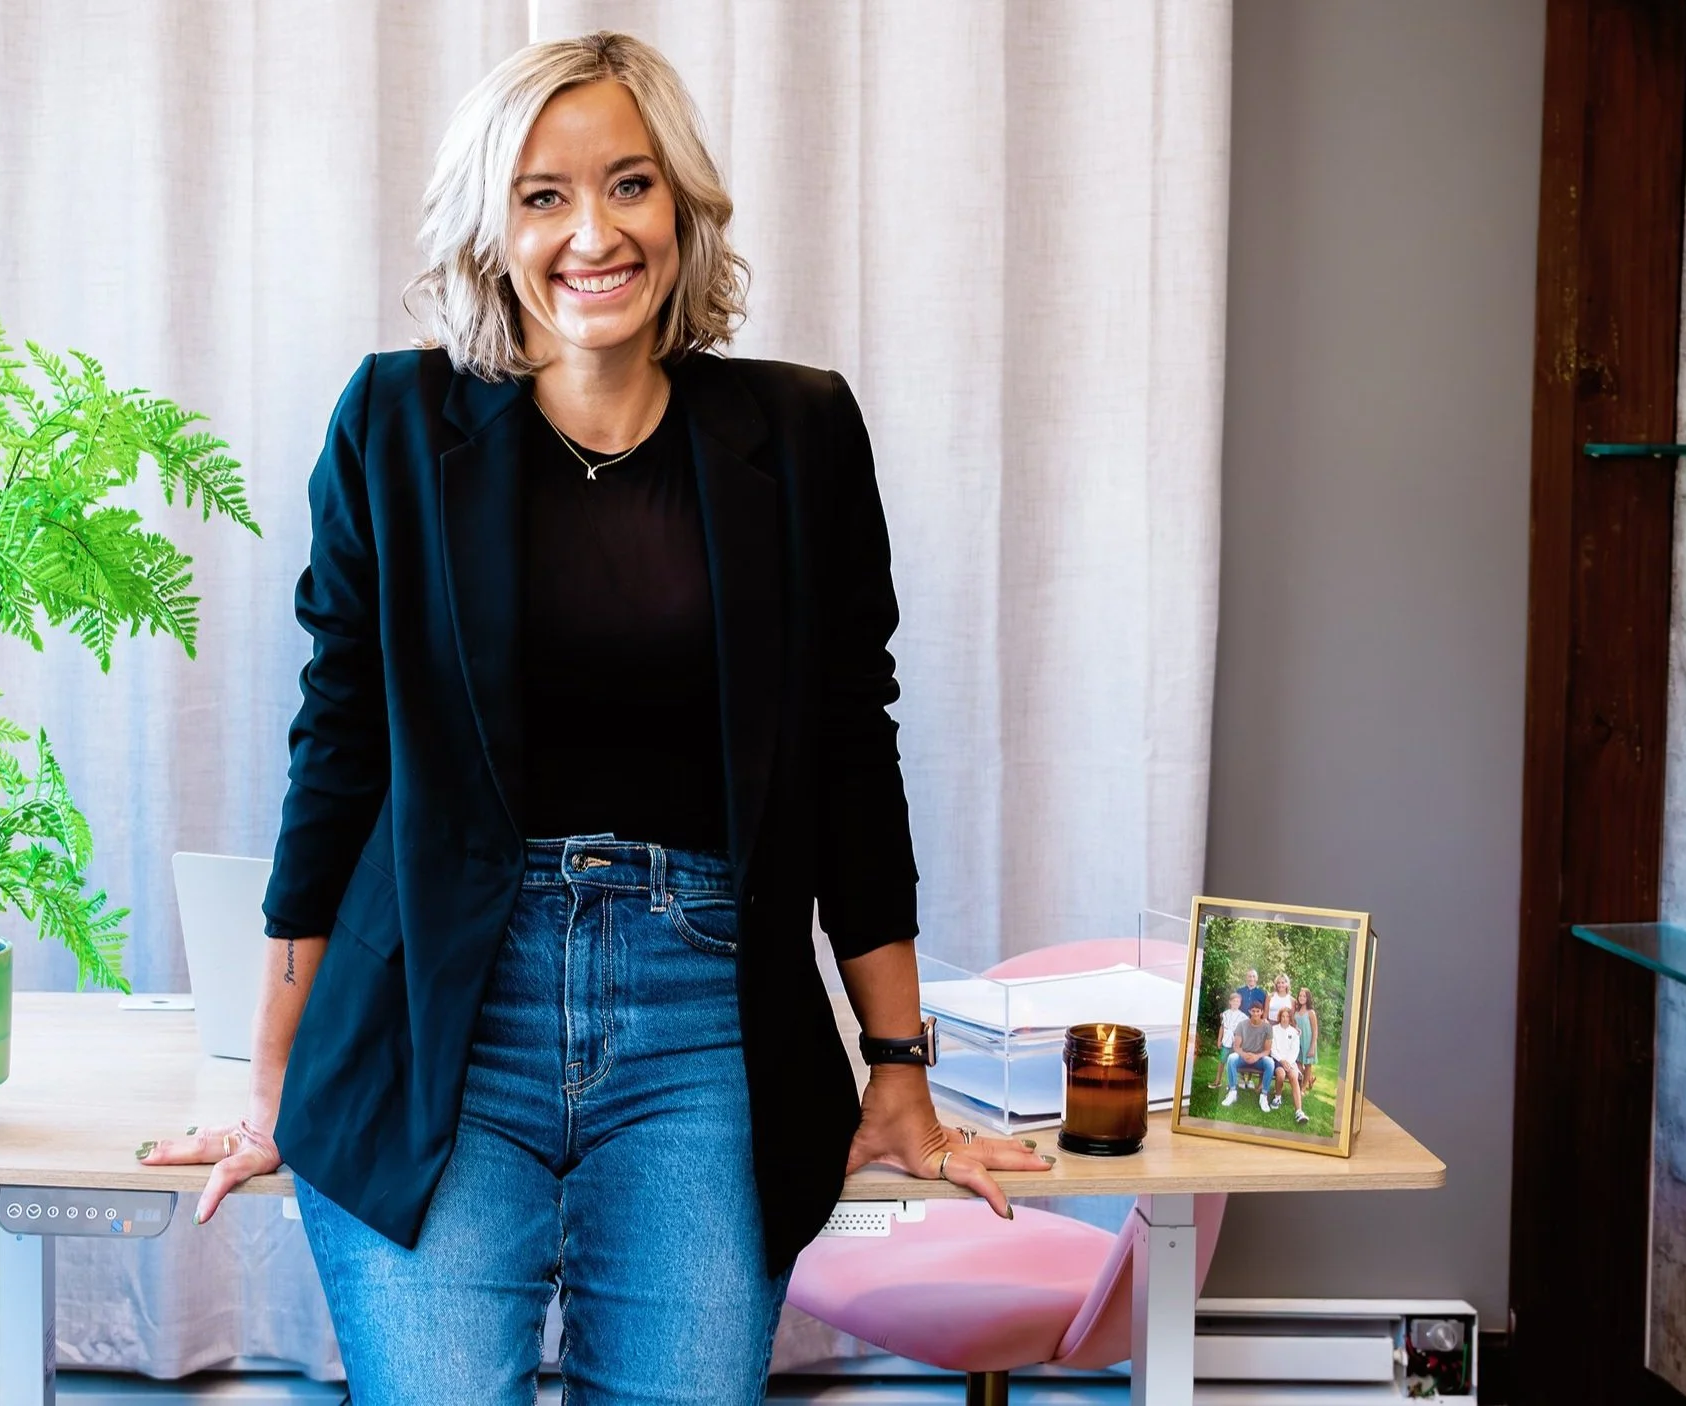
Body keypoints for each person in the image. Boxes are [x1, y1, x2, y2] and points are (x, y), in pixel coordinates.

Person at [137, 32, 1048, 1403]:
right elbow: (339, 752)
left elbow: (856, 752)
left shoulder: (796, 435)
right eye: (544, 195)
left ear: (680, 204)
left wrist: (899, 1063)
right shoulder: (394, 423)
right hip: (444, 1010)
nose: (592, 232)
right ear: (493, 228)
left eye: (628, 184)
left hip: (702, 1025)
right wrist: (272, 1074)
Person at [1219, 1001, 1277, 1111]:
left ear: (1262, 1012)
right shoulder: (1242, 1025)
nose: (1255, 1014)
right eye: (1253, 1011)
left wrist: (1256, 1056)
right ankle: (1232, 1092)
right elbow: (1236, 1046)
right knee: (1231, 1058)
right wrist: (1244, 1054)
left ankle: (1263, 1096)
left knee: (1270, 1062)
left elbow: (1267, 1050)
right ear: (1250, 1011)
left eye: (1258, 1011)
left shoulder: (1267, 1027)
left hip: (1259, 1058)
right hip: (1243, 1056)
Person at [1270, 1008, 1307, 1123]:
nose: (1285, 1019)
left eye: (1287, 1017)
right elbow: (1273, 1048)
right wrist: (1282, 1061)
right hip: (1277, 1059)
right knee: (1280, 1074)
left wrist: (1289, 1062)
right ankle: (1277, 1098)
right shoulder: (1274, 1029)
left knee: (1293, 1077)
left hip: (1291, 1061)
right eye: (1283, 1016)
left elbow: (1295, 1050)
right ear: (1280, 1017)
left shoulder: (1294, 1032)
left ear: (1290, 1019)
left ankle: (1299, 1112)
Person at [1294, 988, 1321, 1094]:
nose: (1301, 998)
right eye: (1300, 996)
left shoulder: (1311, 1013)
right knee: (1299, 1063)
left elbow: (1315, 1031)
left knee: (1308, 1065)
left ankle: (1303, 1088)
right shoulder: (1296, 1011)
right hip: (1298, 1041)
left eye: (1304, 996)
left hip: (1308, 1041)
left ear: (1308, 998)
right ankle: (1308, 1080)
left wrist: (1312, 1047)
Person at [1216, 987, 1245, 1055]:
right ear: (1230, 1002)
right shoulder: (1225, 1014)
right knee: (1222, 1061)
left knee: (1233, 1061)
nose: (1235, 1003)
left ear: (1240, 1003)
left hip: (1236, 1043)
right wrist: (1219, 1040)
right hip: (1225, 1041)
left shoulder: (1243, 1016)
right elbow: (1222, 1028)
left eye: (1237, 1001)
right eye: (1234, 1001)